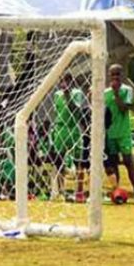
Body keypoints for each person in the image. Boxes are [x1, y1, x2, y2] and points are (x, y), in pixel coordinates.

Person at [103, 64, 134, 203]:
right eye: (113, 74)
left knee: (128, 161)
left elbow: (123, 109)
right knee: (113, 162)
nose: (115, 77)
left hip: (123, 132)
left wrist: (116, 93)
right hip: (110, 133)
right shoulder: (105, 93)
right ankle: (117, 191)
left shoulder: (127, 91)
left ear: (122, 75)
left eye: (118, 74)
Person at [51, 73, 88, 201]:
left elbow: (74, 110)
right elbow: (57, 113)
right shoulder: (56, 95)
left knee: (79, 162)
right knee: (59, 160)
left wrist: (67, 95)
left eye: (65, 81)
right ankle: (61, 191)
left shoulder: (77, 93)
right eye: (61, 81)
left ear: (71, 81)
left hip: (73, 129)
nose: (63, 84)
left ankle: (79, 192)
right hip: (60, 129)